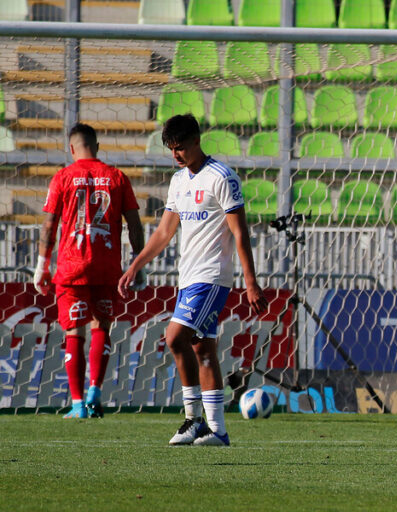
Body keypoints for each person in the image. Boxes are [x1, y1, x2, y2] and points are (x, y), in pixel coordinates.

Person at [119, 114, 268, 447]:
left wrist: (250, 281)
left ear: (197, 141)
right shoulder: (178, 181)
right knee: (202, 349)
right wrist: (135, 264)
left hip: (212, 276)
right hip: (188, 277)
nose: (176, 155)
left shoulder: (222, 177)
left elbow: (239, 231)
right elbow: (164, 232)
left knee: (174, 338)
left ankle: (193, 420)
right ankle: (218, 432)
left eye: (181, 148)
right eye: (171, 149)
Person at [34, 123, 145, 419]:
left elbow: (49, 226)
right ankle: (96, 390)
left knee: (73, 330)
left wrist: (41, 265)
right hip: (107, 266)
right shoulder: (117, 177)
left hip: (72, 267)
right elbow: (134, 225)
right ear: (97, 146)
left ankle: (78, 403)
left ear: (72, 148)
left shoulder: (63, 177)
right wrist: (137, 263)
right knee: (101, 326)